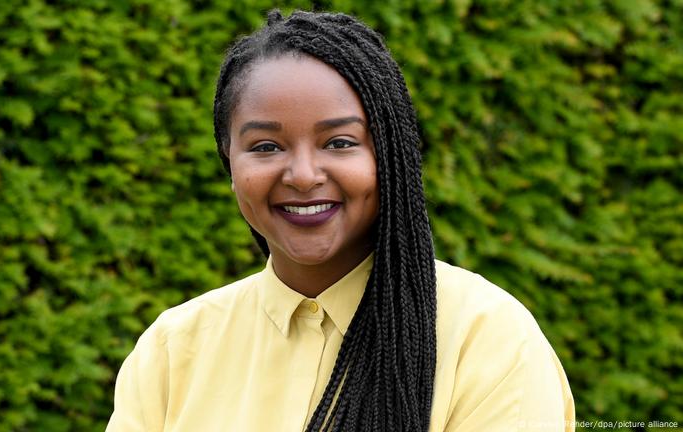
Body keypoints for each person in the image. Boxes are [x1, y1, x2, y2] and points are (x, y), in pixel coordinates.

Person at [107, 9, 575, 432]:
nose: (304, 176)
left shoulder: (486, 338)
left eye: (340, 142)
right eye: (266, 147)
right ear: (230, 165)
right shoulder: (173, 350)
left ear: (391, 157)